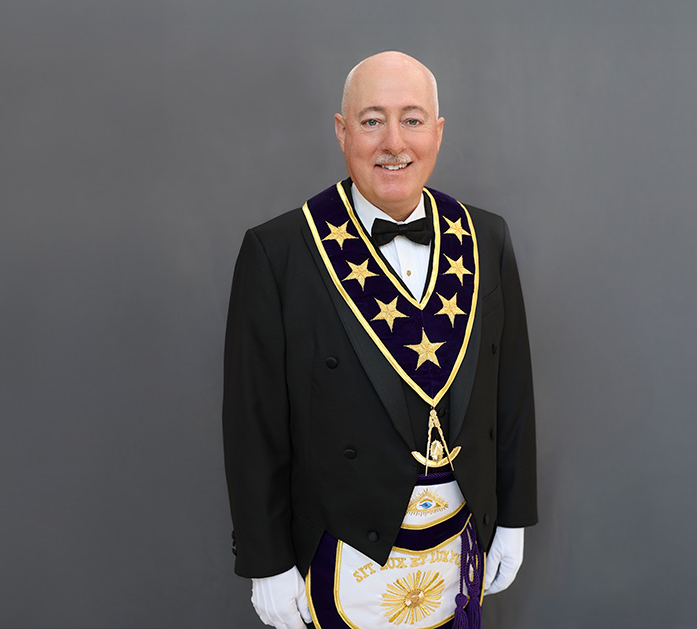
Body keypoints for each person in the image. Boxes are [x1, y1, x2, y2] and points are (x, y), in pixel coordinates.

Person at [223, 51, 537, 629]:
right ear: (342, 132)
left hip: (459, 540)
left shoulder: (486, 236)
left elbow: (509, 389)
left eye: (412, 119)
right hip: (340, 548)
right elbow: (253, 424)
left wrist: (513, 518)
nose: (394, 141)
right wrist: (265, 564)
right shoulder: (281, 251)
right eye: (372, 120)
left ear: (437, 132)